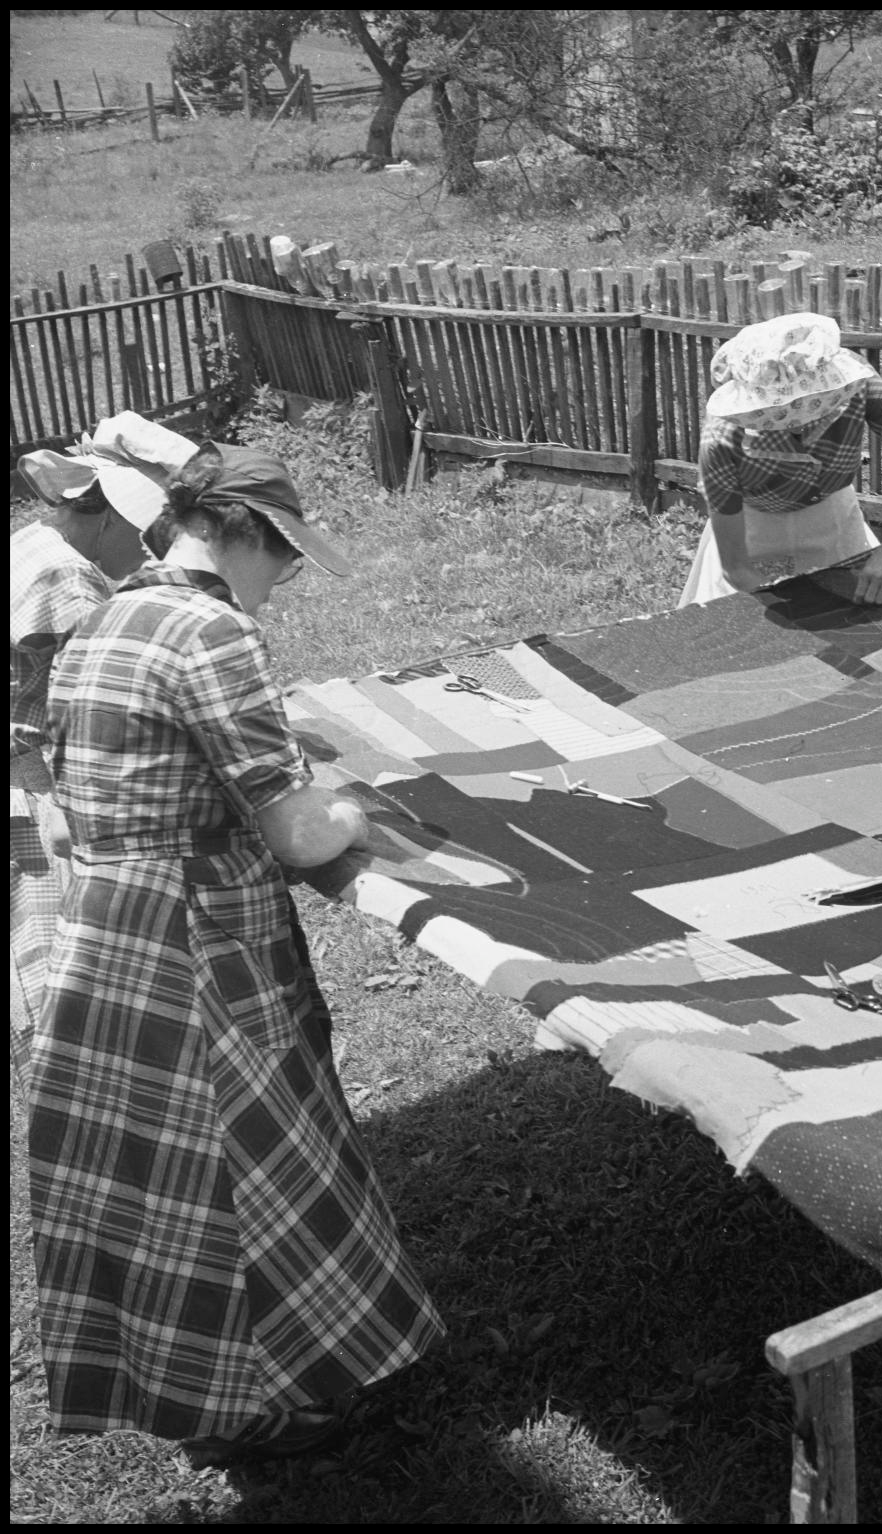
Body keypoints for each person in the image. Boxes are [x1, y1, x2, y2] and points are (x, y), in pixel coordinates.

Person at [30, 441, 445, 1464]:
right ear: (246, 533)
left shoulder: (106, 618)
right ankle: (291, 1400)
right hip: (197, 941)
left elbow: (86, 796)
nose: (287, 579)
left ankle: (208, 1393)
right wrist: (354, 808)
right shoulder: (214, 633)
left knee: (157, 1179)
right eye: (287, 556)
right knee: (253, 1165)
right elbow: (298, 834)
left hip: (105, 932)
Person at [11, 412, 198, 1101]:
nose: (150, 552)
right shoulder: (68, 582)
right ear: (107, 518)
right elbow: (106, 703)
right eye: (147, 533)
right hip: (39, 793)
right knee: (75, 968)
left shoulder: (33, 543)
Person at [680, 311, 882, 607]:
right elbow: (737, 568)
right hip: (753, 533)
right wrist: (801, 611)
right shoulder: (721, 437)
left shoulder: (860, 385)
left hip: (834, 524)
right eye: (777, 414)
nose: (794, 422)